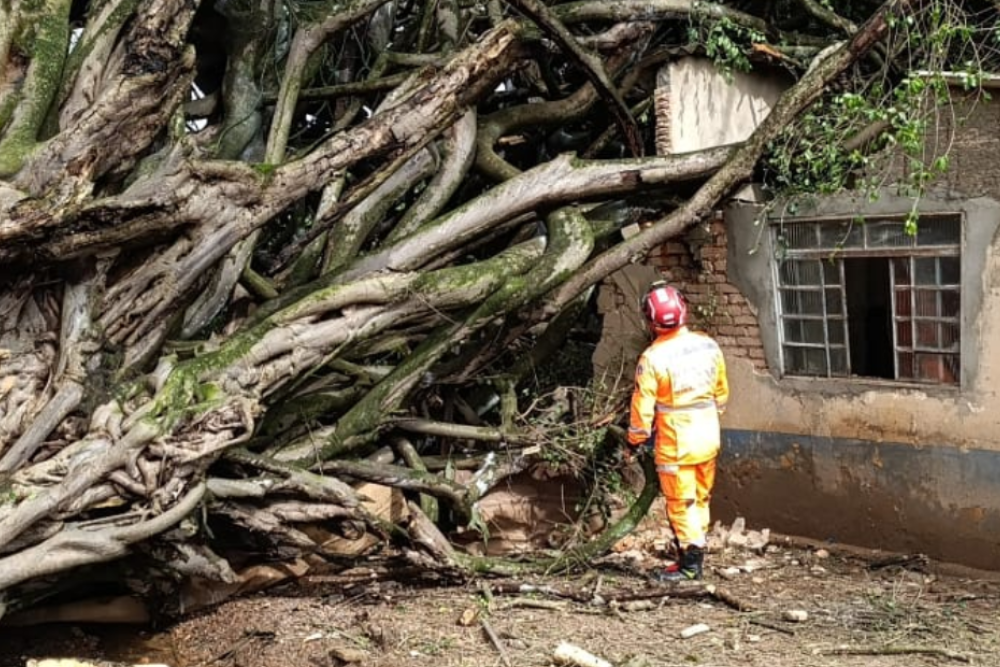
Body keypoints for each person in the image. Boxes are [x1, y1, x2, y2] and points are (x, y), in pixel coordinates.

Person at [626, 282, 729, 581]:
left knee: (681, 504)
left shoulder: (653, 358)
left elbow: (642, 412)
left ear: (650, 320)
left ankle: (690, 565)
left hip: (677, 444)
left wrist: (634, 443)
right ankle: (693, 552)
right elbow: (721, 393)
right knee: (700, 498)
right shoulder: (708, 345)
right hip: (708, 436)